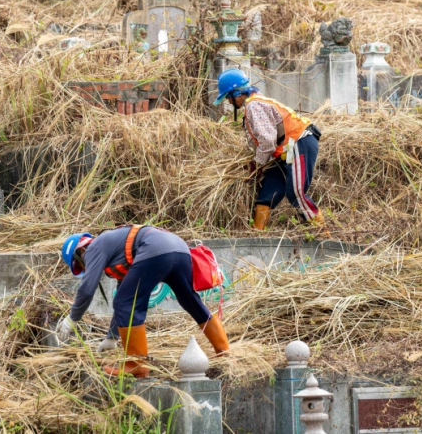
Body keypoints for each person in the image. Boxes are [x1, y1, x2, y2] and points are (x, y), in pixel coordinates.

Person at [56, 225, 230, 378]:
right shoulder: (115, 247)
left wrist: (72, 319)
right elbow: (124, 296)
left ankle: (136, 364)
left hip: (155, 249)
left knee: (126, 303)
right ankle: (223, 351)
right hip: (179, 248)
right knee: (189, 300)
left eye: (81, 264)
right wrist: (112, 336)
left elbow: (87, 289)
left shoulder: (94, 247)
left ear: (81, 252)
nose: (85, 267)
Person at [213, 68, 327, 232]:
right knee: (267, 192)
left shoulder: (253, 105)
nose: (229, 103)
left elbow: (267, 142)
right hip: (285, 151)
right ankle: (257, 234)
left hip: (299, 143)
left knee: (295, 193)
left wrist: (256, 165)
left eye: (228, 98)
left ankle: (323, 234)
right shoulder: (254, 103)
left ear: (236, 93)